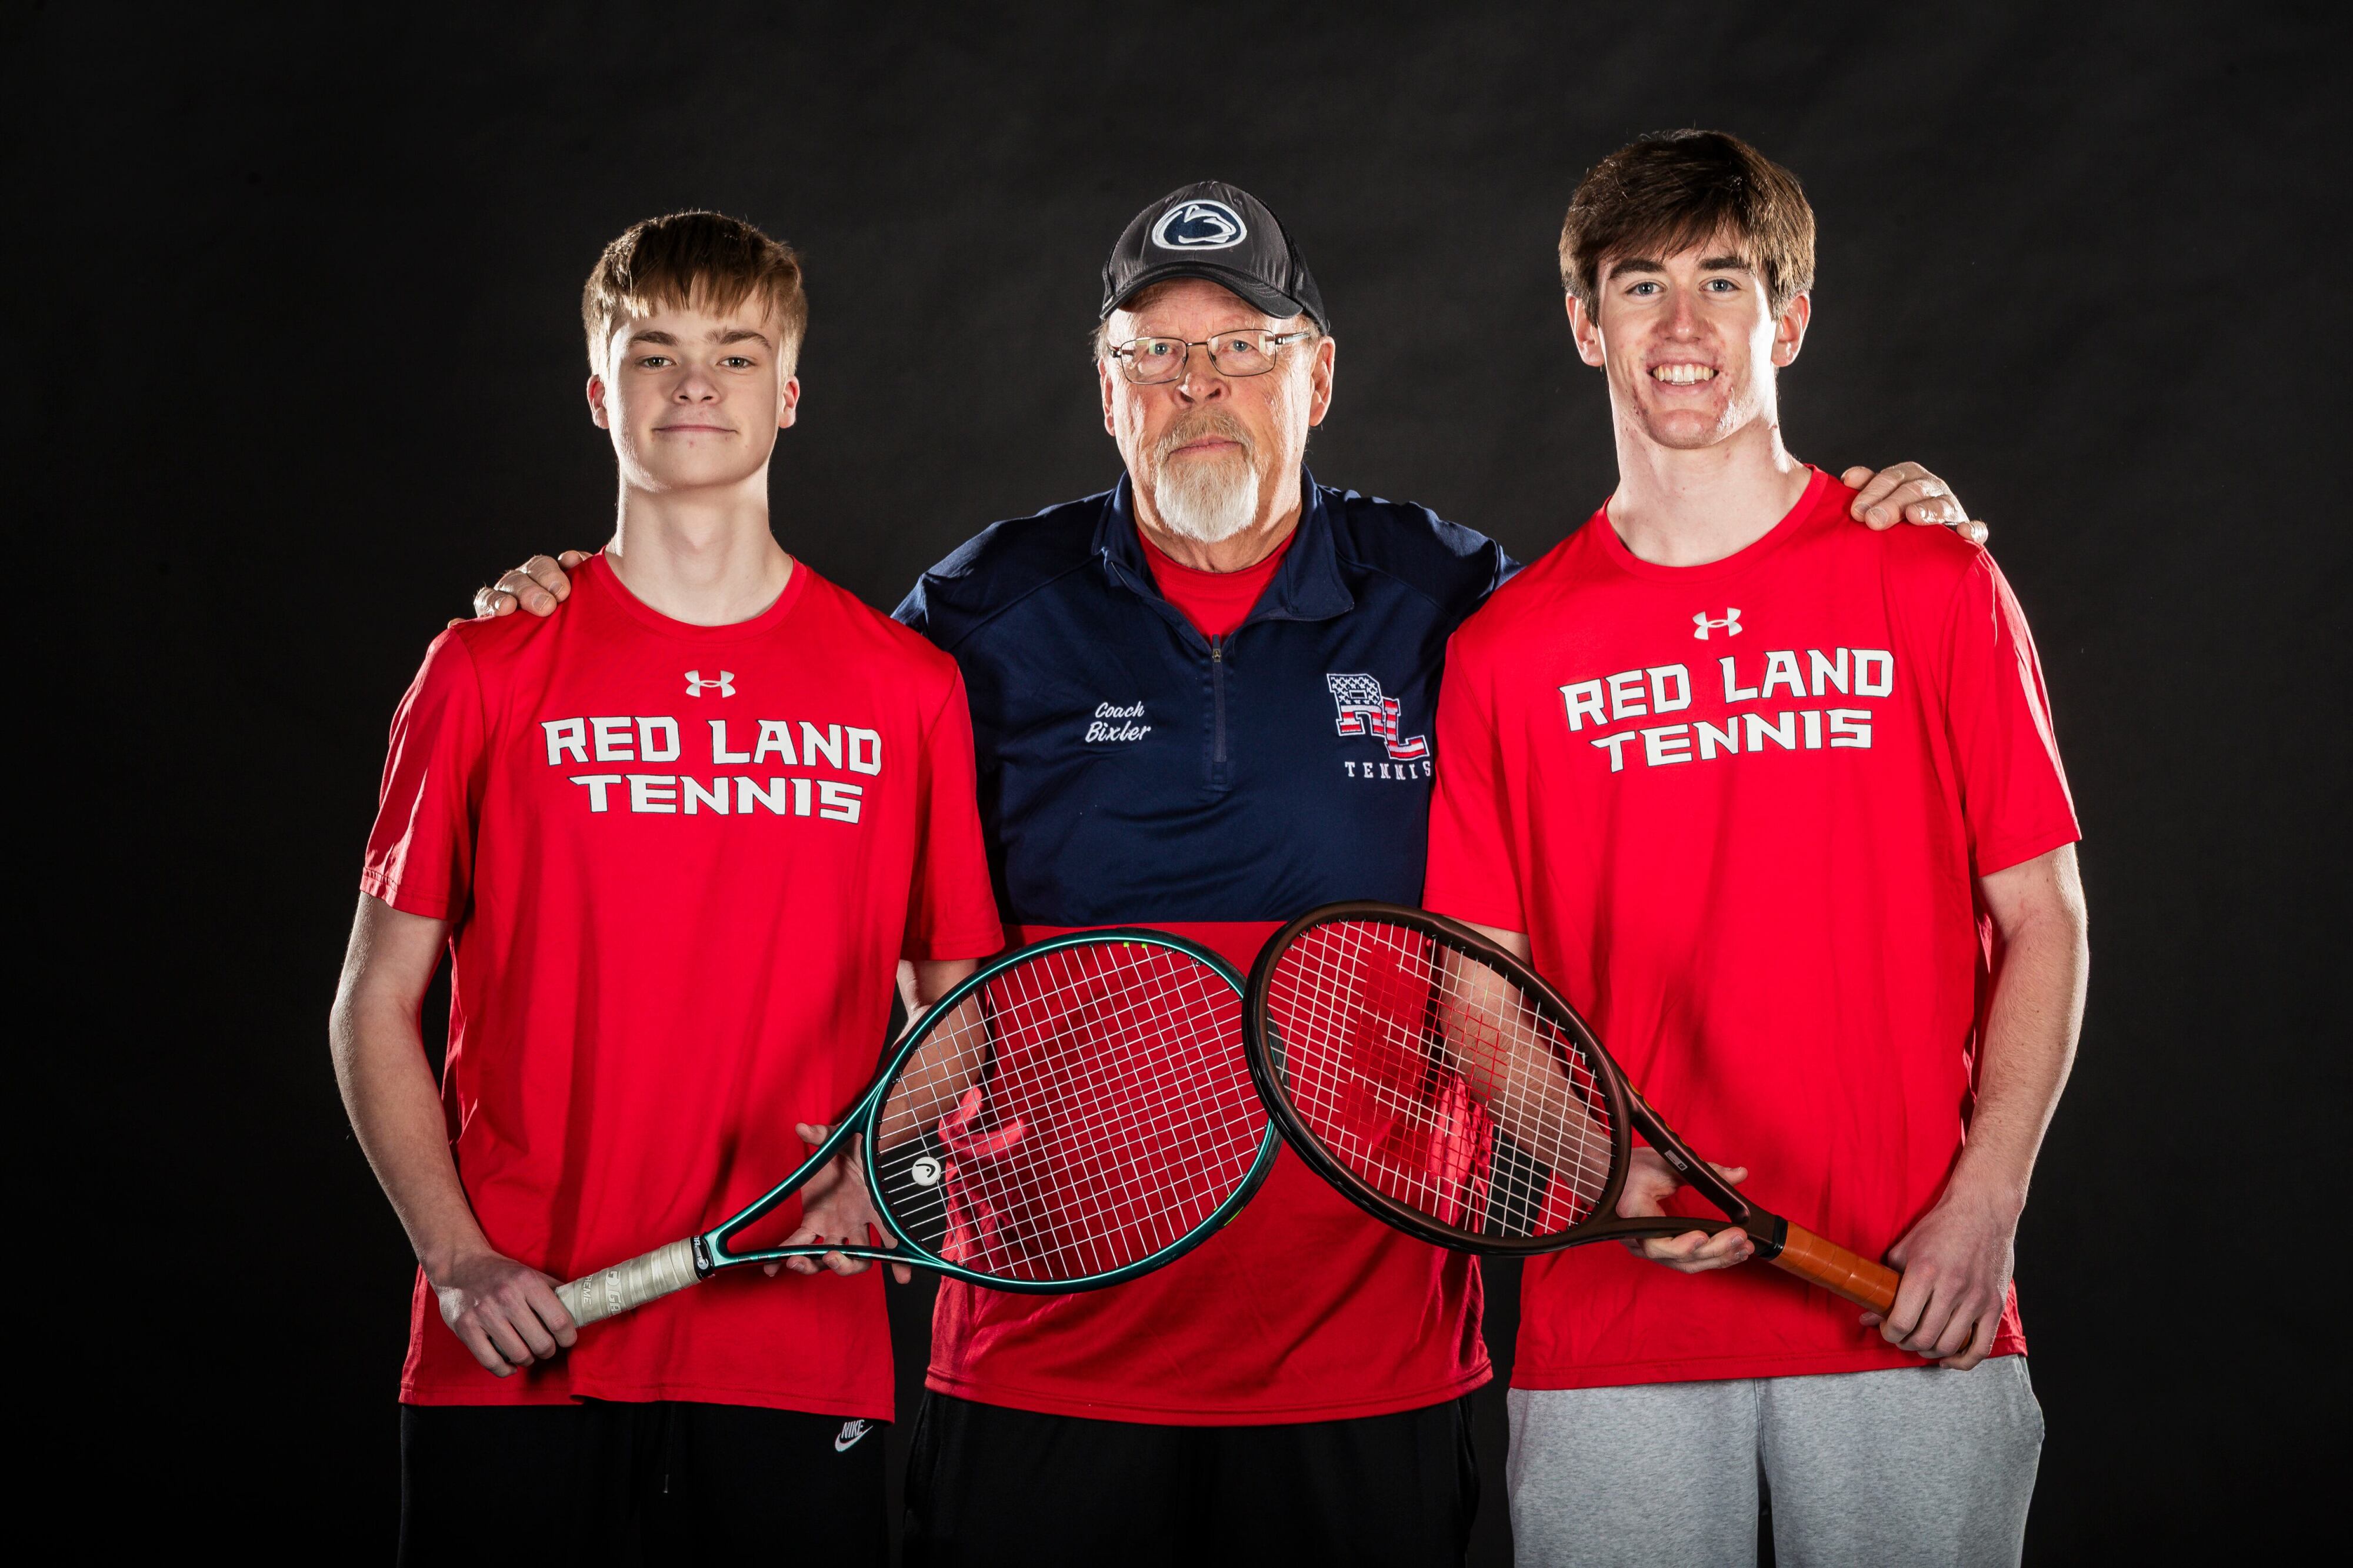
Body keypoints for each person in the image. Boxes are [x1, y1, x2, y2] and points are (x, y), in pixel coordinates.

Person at [472, 181, 1980, 1564]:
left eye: (1245, 349)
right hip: (1036, 1363)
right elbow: (768, 736)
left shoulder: (1457, 599)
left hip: (1375, 1370)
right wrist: (583, 608)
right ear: (1105, 391)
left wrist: (1860, 529)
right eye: (1156, 356)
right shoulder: (976, 614)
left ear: (1315, 379)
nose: (1201, 388)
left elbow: (1665, 634)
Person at [1423, 132, 2088, 1566]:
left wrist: (1985, 1204)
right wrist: (1605, 1172)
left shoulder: (1931, 576)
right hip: (1616, 1328)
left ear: (1784, 320)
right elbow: (1476, 995)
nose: (1681, 325)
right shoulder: (1502, 652)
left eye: (1722, 282)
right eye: (1639, 285)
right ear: (1584, 323)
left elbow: (2043, 917)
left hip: (1906, 1296)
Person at [329, 211, 1004, 1564]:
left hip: (790, 1350)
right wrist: (458, 1257)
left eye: (737, 354)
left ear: (789, 394)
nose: (696, 383)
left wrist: (870, 1168)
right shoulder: (484, 669)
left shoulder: (905, 689)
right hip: (520, 1334)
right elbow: (372, 1002)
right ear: (600, 393)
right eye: (655, 353)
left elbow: (958, 1005)